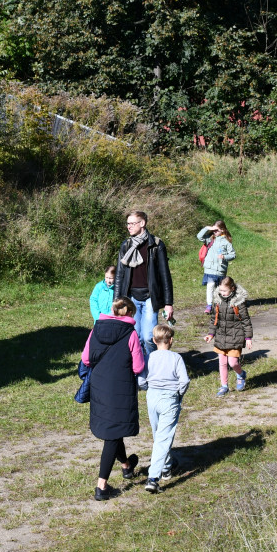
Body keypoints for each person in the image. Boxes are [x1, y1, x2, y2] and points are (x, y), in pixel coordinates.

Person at [82, 297, 146, 501]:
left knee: (113, 429)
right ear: (129, 313)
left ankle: (126, 467)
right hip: (120, 387)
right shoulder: (131, 333)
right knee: (112, 434)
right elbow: (138, 367)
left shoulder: (96, 329)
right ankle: (102, 486)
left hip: (99, 386)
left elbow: (86, 359)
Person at [114, 210, 174, 360]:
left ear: (142, 223)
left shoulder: (156, 245)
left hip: (150, 297)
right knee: (136, 338)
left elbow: (165, 275)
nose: (129, 227)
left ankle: (153, 363)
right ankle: (141, 369)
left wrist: (168, 303)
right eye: (127, 224)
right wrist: (116, 301)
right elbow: (120, 275)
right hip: (131, 298)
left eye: (132, 223)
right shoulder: (126, 246)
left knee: (148, 337)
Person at [142, 324, 189, 494]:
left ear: (154, 341)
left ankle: (166, 467)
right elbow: (184, 381)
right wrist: (178, 395)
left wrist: (148, 388)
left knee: (158, 435)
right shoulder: (176, 358)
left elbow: (141, 379)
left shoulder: (149, 357)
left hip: (152, 397)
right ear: (171, 340)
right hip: (169, 399)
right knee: (163, 437)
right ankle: (153, 478)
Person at [203, 276, 252, 397]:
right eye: (220, 290)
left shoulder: (238, 303)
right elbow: (214, 319)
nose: (222, 293)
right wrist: (211, 334)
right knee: (222, 363)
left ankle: (240, 374)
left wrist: (248, 338)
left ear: (232, 289)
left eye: (224, 291)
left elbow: (246, 320)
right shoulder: (218, 301)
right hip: (221, 336)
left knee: (233, 363)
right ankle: (224, 386)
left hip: (236, 336)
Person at [197, 221, 236, 314]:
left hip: (220, 269)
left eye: (216, 230)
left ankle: (220, 304)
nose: (214, 232)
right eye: (213, 230)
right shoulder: (210, 239)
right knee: (210, 286)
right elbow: (199, 236)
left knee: (219, 288)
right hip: (210, 269)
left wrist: (224, 257)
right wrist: (207, 228)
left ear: (222, 230)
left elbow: (233, 255)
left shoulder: (226, 242)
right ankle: (209, 305)